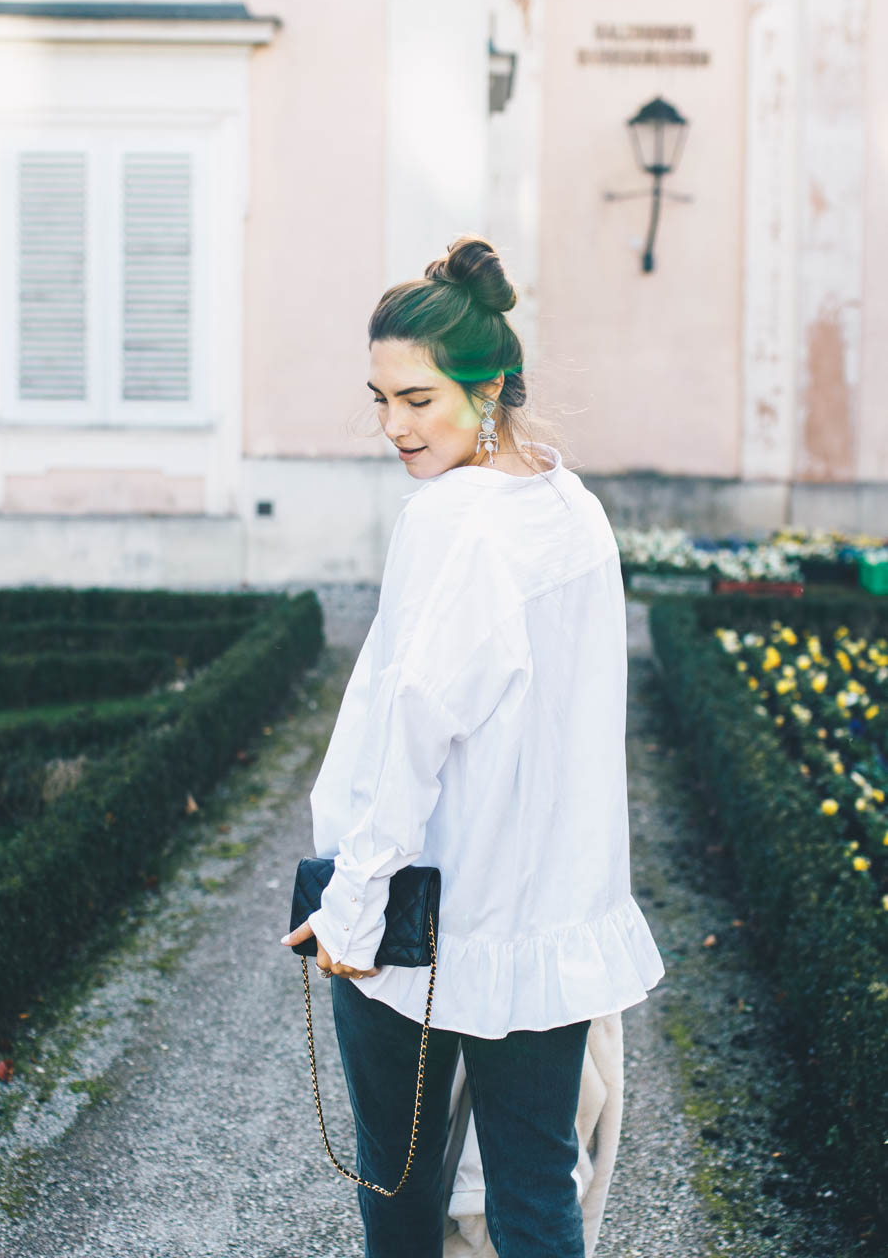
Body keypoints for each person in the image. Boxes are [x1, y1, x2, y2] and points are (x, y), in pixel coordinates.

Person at [283, 235, 665, 1258]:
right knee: (536, 1187)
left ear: (487, 386)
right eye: (380, 399)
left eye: (418, 399)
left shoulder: (452, 520)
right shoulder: (571, 508)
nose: (392, 426)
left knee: (397, 1188)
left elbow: (408, 734)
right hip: (541, 923)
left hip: (419, 918)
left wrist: (348, 909)